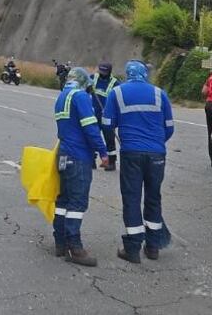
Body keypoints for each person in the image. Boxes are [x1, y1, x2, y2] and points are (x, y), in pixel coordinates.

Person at [103, 60, 174, 264]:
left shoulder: (117, 92)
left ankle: (132, 249)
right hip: (157, 155)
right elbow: (169, 128)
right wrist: (155, 143)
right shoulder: (160, 94)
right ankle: (153, 247)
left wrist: (120, 131)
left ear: (127, 74)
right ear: (145, 74)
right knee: (153, 198)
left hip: (131, 153)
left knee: (132, 198)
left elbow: (107, 124)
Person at [52, 67, 109, 267]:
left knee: (63, 200)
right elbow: (90, 127)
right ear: (85, 82)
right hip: (78, 156)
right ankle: (74, 248)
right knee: (77, 203)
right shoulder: (81, 97)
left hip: (63, 155)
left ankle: (60, 242)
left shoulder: (61, 97)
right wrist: (103, 152)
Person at [89, 62, 120, 172]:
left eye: (104, 72)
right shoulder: (93, 78)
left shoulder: (115, 83)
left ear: (109, 72)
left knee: (109, 139)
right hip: (94, 114)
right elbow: (83, 88)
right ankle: (91, 161)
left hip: (108, 116)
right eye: (101, 71)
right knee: (93, 137)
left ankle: (111, 162)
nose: (102, 74)